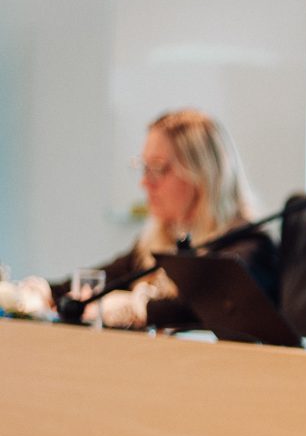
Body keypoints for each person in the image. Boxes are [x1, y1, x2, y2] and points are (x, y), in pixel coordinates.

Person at [40, 108, 276, 329]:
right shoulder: (156, 242)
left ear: (202, 174)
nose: (145, 183)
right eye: (144, 167)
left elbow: (198, 309)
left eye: (157, 168)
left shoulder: (248, 246)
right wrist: (39, 292)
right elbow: (97, 283)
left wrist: (131, 309)